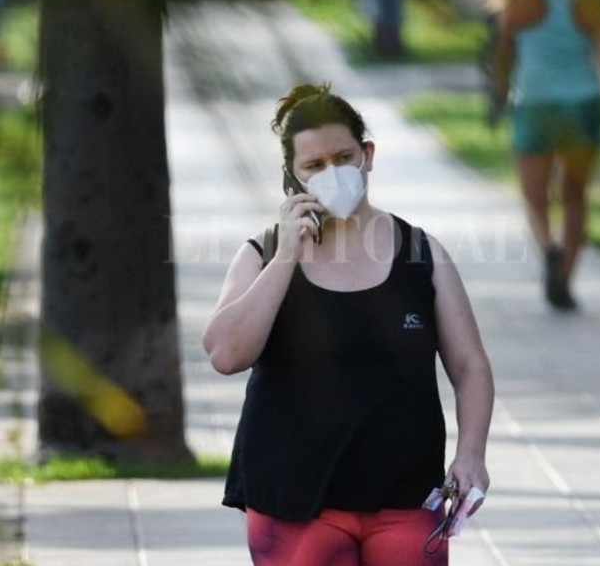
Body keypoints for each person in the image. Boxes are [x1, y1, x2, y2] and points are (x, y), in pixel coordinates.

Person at [202, 83, 495, 566]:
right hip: (295, 496)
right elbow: (226, 355)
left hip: (405, 493)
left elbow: (469, 366)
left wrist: (471, 455)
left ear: (367, 155)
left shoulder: (421, 253)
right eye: (314, 166)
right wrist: (287, 257)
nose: (332, 174)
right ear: (291, 176)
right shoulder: (263, 253)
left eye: (343, 158)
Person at [487, 0, 600, 310]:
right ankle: (565, 276)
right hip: (582, 101)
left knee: (534, 196)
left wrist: (498, 97)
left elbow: (502, 55)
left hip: (533, 102)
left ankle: (548, 246)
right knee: (575, 196)